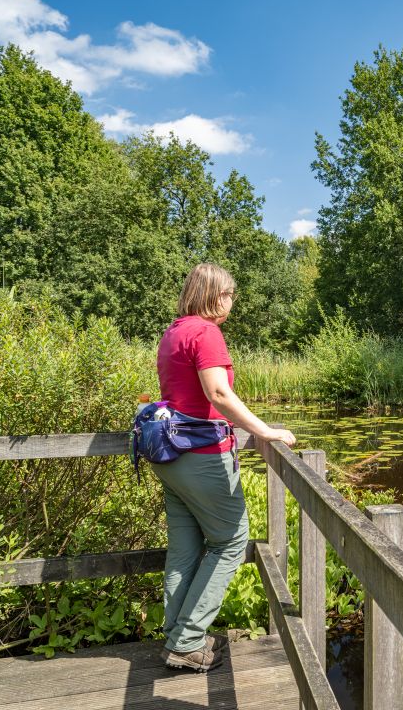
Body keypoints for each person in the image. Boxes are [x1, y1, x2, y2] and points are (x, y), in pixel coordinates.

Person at [153, 263, 296, 672]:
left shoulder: (174, 331)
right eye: (230, 294)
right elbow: (217, 393)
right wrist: (264, 430)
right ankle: (187, 640)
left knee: (185, 548)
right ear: (215, 295)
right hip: (200, 456)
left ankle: (176, 635)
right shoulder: (206, 332)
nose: (233, 302)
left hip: (171, 457)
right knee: (232, 541)